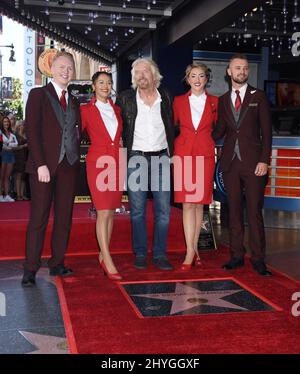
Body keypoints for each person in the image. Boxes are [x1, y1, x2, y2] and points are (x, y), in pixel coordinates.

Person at [22, 51, 81, 287]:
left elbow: (75, 131)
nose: (66, 71)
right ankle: (30, 268)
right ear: (51, 68)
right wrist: (40, 164)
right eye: (62, 67)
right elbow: (32, 131)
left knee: (64, 218)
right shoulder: (38, 94)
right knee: (39, 218)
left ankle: (57, 263)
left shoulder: (74, 100)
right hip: (43, 167)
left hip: (69, 166)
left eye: (70, 68)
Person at [212, 53, 273, 276]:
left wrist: (264, 161)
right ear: (229, 72)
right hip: (230, 164)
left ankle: (258, 259)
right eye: (237, 68)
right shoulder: (222, 100)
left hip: (254, 163)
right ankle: (237, 255)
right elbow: (219, 131)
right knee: (234, 212)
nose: (242, 72)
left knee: (255, 212)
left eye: (245, 68)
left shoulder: (260, 96)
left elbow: (267, 133)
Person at [116, 58, 174, 270]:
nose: (141, 76)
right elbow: (116, 125)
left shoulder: (166, 97)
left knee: (163, 211)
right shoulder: (125, 98)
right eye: (137, 73)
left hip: (161, 158)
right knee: (138, 210)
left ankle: (160, 254)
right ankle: (140, 253)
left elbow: (173, 126)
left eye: (145, 72)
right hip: (136, 158)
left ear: (154, 75)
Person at [173, 62, 218, 270]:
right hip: (183, 155)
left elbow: (219, 128)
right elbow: (170, 126)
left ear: (206, 79)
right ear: (187, 79)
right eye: (193, 76)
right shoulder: (178, 101)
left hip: (205, 156)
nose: (197, 80)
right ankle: (192, 250)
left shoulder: (215, 102)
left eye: (201, 76)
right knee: (187, 203)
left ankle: (193, 250)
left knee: (199, 203)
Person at [80, 71, 124, 281]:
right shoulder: (86, 110)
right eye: (101, 83)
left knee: (112, 211)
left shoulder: (117, 110)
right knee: (103, 211)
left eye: (108, 83)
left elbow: (119, 137)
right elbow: (74, 133)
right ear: (93, 86)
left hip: (117, 163)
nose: (105, 86)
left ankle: (102, 254)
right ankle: (107, 258)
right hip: (98, 163)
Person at [0, 116, 18, 202]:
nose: (6, 123)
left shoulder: (12, 134)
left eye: (7, 122)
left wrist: (8, 144)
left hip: (11, 156)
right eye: (4, 122)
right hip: (2, 155)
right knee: (1, 176)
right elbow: (2, 145)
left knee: (7, 177)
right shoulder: (0, 133)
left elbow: (16, 144)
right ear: (2, 123)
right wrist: (9, 144)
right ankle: (0, 195)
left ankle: (6, 195)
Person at [14, 120, 29, 201]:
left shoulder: (27, 135)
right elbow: (14, 147)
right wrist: (23, 146)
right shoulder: (15, 135)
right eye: (22, 125)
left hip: (26, 157)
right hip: (18, 157)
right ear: (19, 126)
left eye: (24, 125)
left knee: (23, 176)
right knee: (18, 176)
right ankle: (18, 194)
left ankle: (22, 194)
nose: (23, 126)